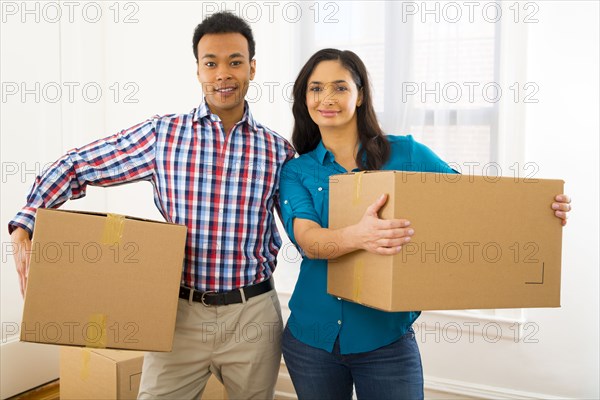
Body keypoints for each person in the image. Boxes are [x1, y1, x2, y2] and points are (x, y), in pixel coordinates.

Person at [9, 12, 295, 400]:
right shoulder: (164, 135)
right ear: (198, 71)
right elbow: (79, 164)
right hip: (178, 313)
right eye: (211, 63)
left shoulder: (278, 151)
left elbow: (306, 227)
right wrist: (25, 223)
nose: (222, 73)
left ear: (252, 68)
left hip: (252, 313)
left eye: (235, 61)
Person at [278, 48, 572, 400]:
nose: (327, 97)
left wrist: (539, 211)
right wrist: (360, 235)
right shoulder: (296, 170)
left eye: (340, 87)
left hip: (385, 341)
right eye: (315, 88)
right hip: (312, 342)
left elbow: (469, 202)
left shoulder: (406, 154)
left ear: (359, 96)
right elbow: (309, 242)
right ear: (304, 97)